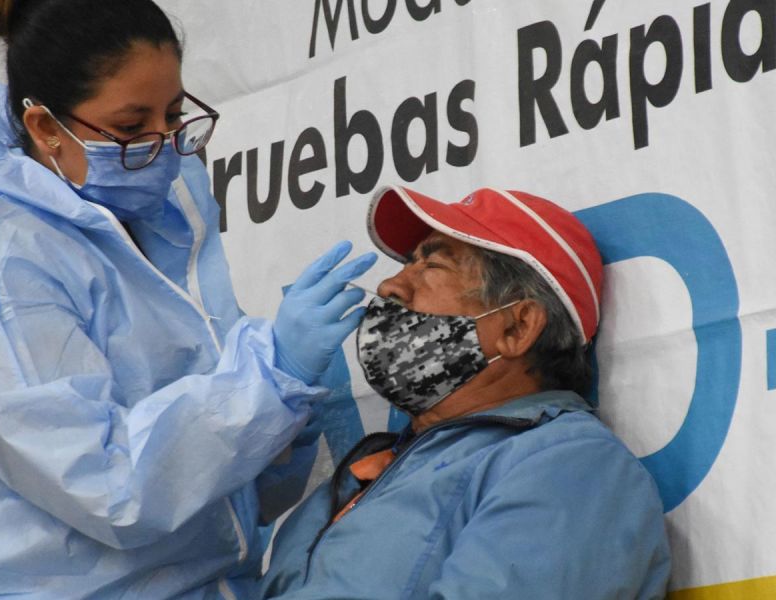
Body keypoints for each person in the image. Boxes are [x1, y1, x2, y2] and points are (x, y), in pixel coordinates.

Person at [0, 0, 375, 597]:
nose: (162, 144)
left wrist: (283, 425)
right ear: (45, 128)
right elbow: (108, 486)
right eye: (131, 126)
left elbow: (226, 497)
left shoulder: (162, 221)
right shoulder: (3, 260)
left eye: (174, 114)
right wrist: (268, 381)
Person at [257, 186, 672, 599]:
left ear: (517, 328)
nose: (389, 286)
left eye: (432, 265)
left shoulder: (572, 466)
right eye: (408, 264)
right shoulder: (375, 466)